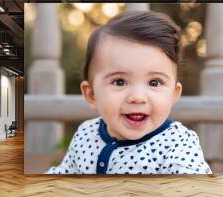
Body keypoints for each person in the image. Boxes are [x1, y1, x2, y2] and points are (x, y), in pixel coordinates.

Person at [46, 10, 212, 175]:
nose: (137, 98)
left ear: (173, 94)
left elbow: (194, 192)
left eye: (154, 82)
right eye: (119, 82)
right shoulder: (86, 134)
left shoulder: (178, 144)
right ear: (92, 95)